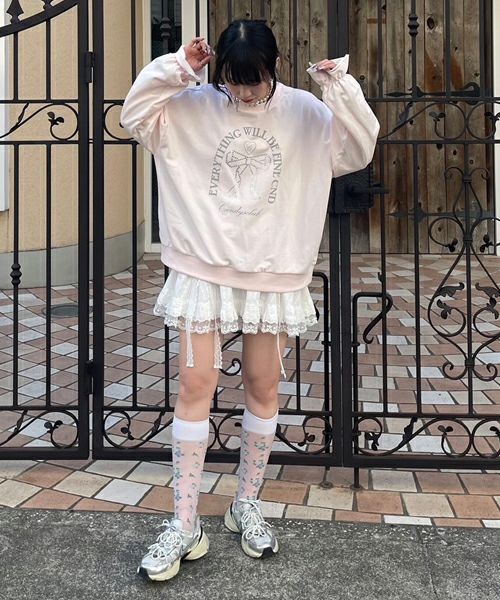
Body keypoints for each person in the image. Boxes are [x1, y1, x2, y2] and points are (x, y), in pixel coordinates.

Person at [120, 18, 379, 582]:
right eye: (233, 81)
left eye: (254, 80)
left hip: (273, 271)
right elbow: (132, 115)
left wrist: (338, 88)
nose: (243, 92)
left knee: (263, 385)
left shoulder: (304, 112)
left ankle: (246, 503)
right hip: (202, 270)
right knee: (195, 386)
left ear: (274, 67)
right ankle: (184, 523)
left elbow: (359, 148)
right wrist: (178, 68)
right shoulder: (190, 106)